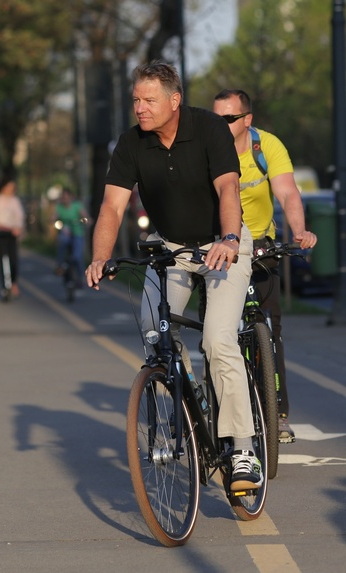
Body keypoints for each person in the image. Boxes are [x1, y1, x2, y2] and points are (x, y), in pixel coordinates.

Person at [85, 60, 262, 491]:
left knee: (219, 339)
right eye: (135, 100)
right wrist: (99, 258)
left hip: (224, 245)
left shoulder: (208, 129)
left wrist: (228, 237)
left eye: (149, 100)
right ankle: (194, 397)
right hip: (172, 250)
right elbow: (111, 206)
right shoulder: (131, 144)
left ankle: (242, 449)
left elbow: (226, 188)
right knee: (153, 331)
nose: (140, 108)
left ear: (174, 100)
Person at [212, 89, 318, 443]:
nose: (221, 125)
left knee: (269, 328)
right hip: (219, 248)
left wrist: (299, 230)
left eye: (228, 118)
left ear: (247, 120)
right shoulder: (207, 147)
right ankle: (218, 410)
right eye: (217, 118)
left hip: (260, 246)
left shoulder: (267, 147)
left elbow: (287, 192)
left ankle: (278, 413)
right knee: (215, 334)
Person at [0, 174, 25, 298]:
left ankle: (14, 283)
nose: (10, 190)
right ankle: (4, 286)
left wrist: (18, 228)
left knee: (13, 259)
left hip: (11, 233)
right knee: (2, 259)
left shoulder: (14, 201)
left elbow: (20, 217)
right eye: (8, 187)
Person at [53, 188, 90, 286]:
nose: (64, 199)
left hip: (77, 233)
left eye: (66, 197)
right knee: (62, 242)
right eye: (63, 197)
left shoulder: (77, 206)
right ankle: (60, 266)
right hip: (65, 232)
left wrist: (86, 220)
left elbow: (85, 216)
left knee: (77, 256)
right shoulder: (59, 207)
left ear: (70, 197)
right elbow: (53, 217)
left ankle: (81, 276)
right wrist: (53, 220)